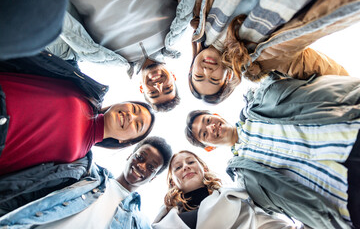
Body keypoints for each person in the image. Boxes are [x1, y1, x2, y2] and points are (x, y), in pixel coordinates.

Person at [185, 73, 360, 228]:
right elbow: (281, 209)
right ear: (208, 147)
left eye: (208, 120)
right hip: (340, 196)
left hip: (348, 135)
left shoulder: (258, 103)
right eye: (204, 133)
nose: (211, 127)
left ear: (217, 116)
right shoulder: (243, 180)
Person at [188, 0, 360, 104]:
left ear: (191, 67)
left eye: (198, 76)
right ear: (228, 77)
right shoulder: (261, 62)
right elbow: (316, 67)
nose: (207, 72)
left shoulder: (200, 19)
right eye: (214, 79)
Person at [0, 52, 156, 176]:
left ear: (124, 141)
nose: (131, 116)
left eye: (138, 124)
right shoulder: (86, 90)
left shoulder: (78, 164)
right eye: (134, 109)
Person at [44, 0, 200, 111]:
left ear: (142, 88)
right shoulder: (177, 32)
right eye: (167, 88)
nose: (158, 86)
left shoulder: (104, 59)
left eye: (153, 93)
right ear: (173, 76)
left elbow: (68, 37)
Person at [0, 136, 173, 228]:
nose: (142, 166)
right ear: (129, 156)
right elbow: (33, 188)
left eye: (151, 167)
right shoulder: (89, 173)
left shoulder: (140, 222)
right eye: (140, 157)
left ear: (153, 178)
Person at [152, 150, 293, 229]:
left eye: (190, 162)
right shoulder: (162, 221)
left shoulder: (238, 200)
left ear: (204, 168)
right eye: (178, 167)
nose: (185, 167)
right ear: (172, 181)